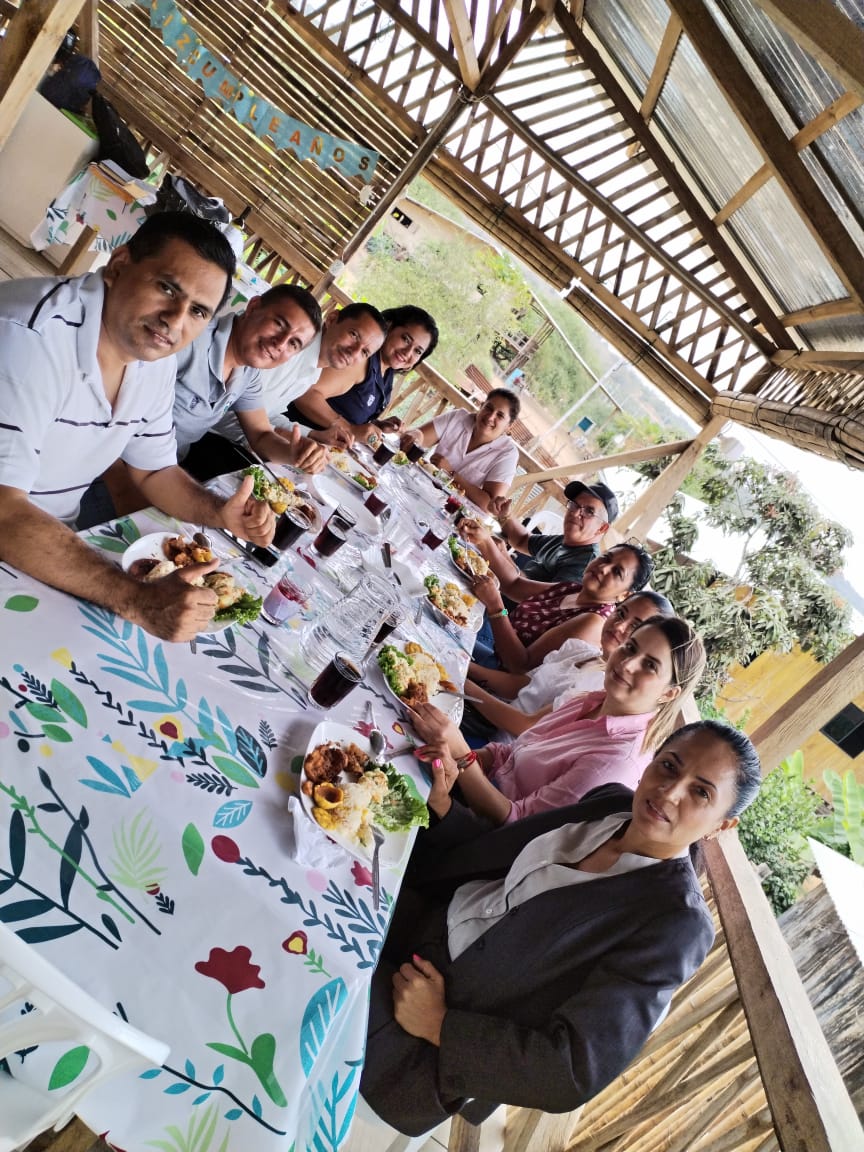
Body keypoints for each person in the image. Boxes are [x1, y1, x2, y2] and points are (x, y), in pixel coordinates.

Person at [359, 721, 761, 1135]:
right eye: (670, 766)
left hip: (421, 1035)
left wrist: (438, 1024)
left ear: (721, 825)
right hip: (425, 919)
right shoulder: (610, 805)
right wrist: (445, 808)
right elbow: (501, 853)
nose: (670, 792)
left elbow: (572, 1070)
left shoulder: (675, 922)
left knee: (314, 956)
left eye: (701, 792)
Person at [0, 211, 274, 643]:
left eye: (198, 311)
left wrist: (219, 512)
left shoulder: (154, 360)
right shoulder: (29, 336)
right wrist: (136, 599)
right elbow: (4, 510)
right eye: (167, 288)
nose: (175, 319)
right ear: (119, 264)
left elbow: (154, 470)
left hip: (50, 540)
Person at [408, 615, 705, 828]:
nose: (628, 664)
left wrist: (461, 755)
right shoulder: (590, 700)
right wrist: (457, 758)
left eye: (650, 665)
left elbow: (516, 823)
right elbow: (509, 752)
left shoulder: (616, 762)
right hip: (466, 784)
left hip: (472, 830)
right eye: (631, 648)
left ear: (669, 693)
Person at [463, 590, 674, 744]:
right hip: (485, 717)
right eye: (620, 613)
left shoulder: (601, 688)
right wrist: (465, 666)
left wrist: (464, 684)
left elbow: (526, 726)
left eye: (635, 626)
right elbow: (522, 685)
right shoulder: (581, 650)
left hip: (496, 746)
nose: (619, 626)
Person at [170, 284, 331, 483]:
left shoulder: (248, 373)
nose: (280, 343)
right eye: (279, 324)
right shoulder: (191, 339)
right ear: (253, 307)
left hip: (171, 465)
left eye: (293, 343)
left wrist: (293, 453)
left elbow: (261, 434)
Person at [209, 302, 388, 456]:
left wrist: (312, 435)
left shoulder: (315, 370)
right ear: (332, 319)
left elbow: (267, 413)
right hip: (211, 437)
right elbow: (228, 412)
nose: (354, 352)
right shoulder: (288, 349)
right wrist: (282, 443)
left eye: (364, 352)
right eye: (354, 335)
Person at [470, 541, 654, 673]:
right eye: (606, 558)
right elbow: (514, 586)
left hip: (496, 676)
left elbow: (521, 665)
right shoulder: (574, 589)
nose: (604, 568)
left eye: (617, 572)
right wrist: (484, 541)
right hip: (494, 645)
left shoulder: (594, 620)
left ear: (624, 595)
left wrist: (496, 607)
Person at [287, 304, 439, 446]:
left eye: (417, 351)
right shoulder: (358, 359)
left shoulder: (386, 373)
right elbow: (306, 394)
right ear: (389, 326)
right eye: (405, 339)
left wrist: (375, 425)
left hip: (323, 447)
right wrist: (349, 428)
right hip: (293, 437)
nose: (408, 352)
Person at [463, 478, 619, 587]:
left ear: (602, 528)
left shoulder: (585, 565)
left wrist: (499, 553)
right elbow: (523, 541)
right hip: (494, 591)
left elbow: (531, 598)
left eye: (589, 511)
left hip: (504, 614)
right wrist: (504, 515)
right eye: (575, 505)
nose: (576, 513)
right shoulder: (567, 541)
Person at [399, 389, 521, 510]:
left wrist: (451, 474)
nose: (490, 417)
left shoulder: (507, 454)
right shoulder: (458, 417)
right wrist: (415, 435)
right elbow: (420, 437)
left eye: (500, 415)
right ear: (481, 406)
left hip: (451, 512)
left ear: (509, 425)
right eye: (488, 408)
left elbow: (488, 505)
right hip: (419, 488)